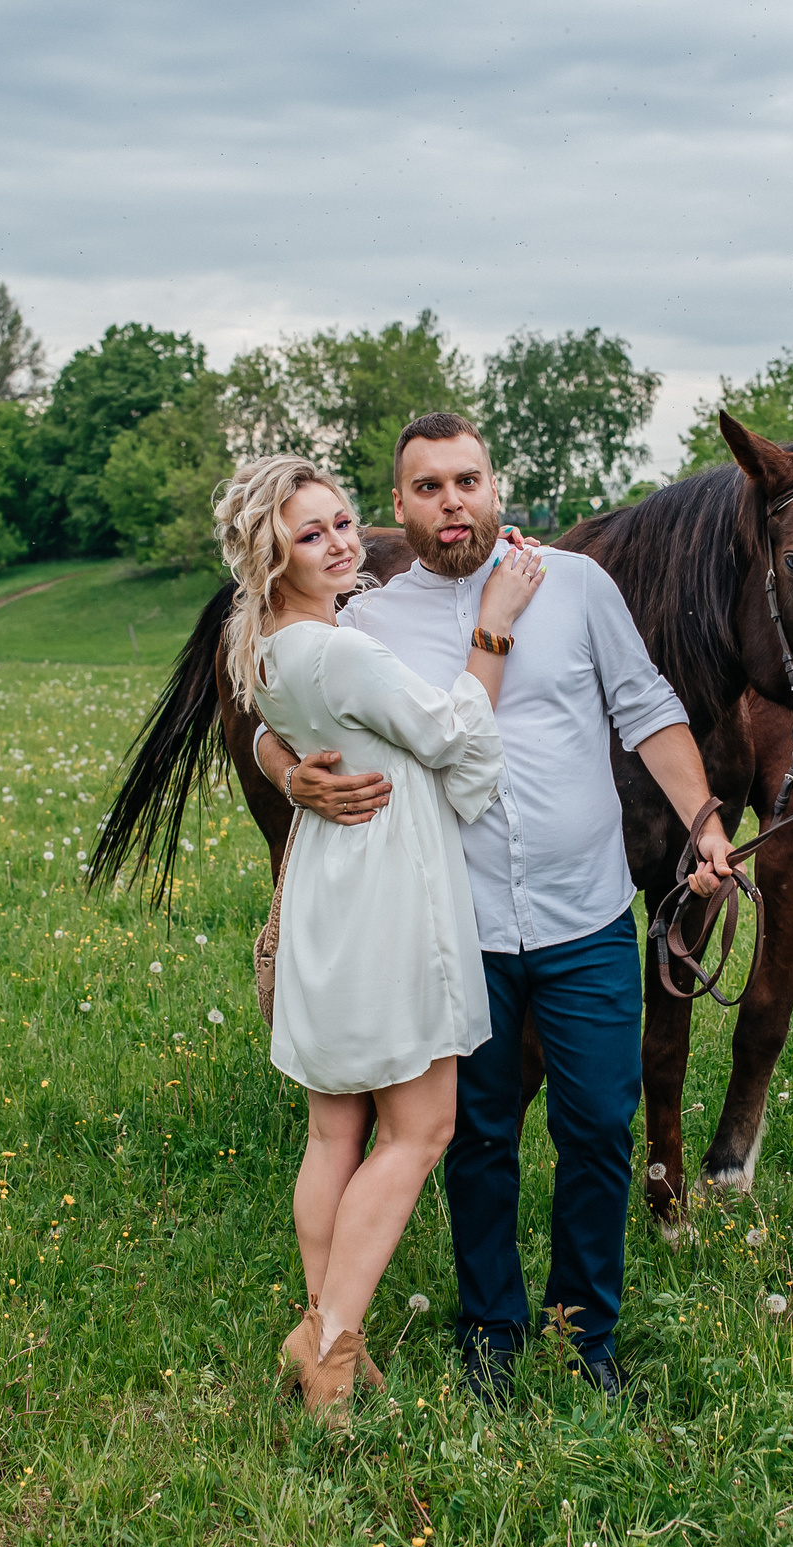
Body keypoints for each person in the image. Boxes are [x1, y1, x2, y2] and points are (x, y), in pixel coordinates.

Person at [253, 413, 733, 1404]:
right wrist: (291, 773)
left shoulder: (579, 585)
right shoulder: (369, 618)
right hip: (452, 928)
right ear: (401, 507)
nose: (451, 500)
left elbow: (644, 706)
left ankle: (585, 1329)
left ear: (493, 483)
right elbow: (281, 705)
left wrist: (703, 821)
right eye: (427, 486)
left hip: (585, 912)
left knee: (600, 1124)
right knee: (475, 1134)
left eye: (465, 478)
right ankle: (488, 1328)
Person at [220, 453, 544, 1420]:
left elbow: (275, 726)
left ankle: (319, 1325)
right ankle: (332, 1346)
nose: (339, 541)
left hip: (330, 879)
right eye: (309, 533)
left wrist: (287, 764)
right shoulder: (344, 651)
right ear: (272, 554)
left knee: (335, 1128)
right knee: (420, 1128)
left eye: (343, 522)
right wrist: (496, 625)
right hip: (391, 890)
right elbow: (455, 733)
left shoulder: (269, 648)